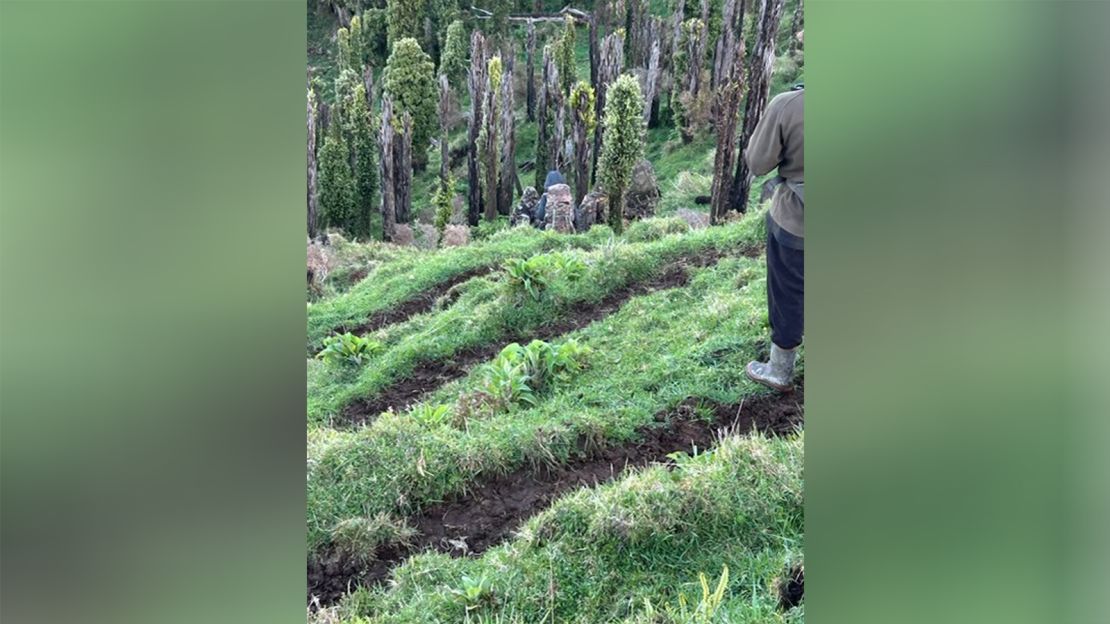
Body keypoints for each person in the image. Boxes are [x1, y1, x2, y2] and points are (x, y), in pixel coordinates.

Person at [744, 85, 804, 392]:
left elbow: (757, 163)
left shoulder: (788, 104)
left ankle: (780, 370)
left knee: (788, 291)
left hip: (798, 221)